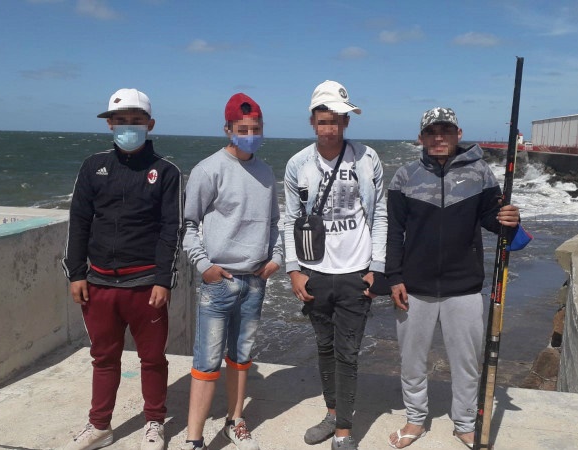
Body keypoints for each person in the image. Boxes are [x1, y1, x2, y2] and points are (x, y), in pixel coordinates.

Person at [384, 107, 521, 449]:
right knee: (412, 361)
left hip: (464, 286)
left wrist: (509, 218)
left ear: (458, 134)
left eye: (446, 130)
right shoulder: (404, 176)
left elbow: (493, 221)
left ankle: (464, 422)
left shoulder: (480, 173)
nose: (439, 137)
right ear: (421, 137)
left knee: (466, 363)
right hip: (413, 287)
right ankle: (415, 418)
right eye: (431, 132)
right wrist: (394, 278)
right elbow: (394, 233)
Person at [61, 88, 182, 450]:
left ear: (150, 124)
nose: (128, 127)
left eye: (136, 121)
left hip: (146, 285)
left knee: (152, 359)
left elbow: (171, 230)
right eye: (121, 121)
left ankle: (154, 423)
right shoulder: (92, 166)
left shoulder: (166, 171)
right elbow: (79, 221)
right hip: (98, 283)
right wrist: (76, 273)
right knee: (103, 358)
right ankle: (100, 426)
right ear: (110, 124)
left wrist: (163, 280)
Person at [283, 80, 388, 450]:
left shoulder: (367, 158)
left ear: (346, 122)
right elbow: (290, 219)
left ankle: (344, 431)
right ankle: (332, 413)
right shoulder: (298, 164)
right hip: (314, 272)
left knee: (348, 353)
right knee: (324, 347)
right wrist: (294, 269)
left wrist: (376, 266)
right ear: (312, 121)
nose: (330, 127)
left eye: (337, 120)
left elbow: (379, 214)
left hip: (355, 272)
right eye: (324, 120)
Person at [181, 93, 283, 450]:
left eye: (256, 129)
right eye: (243, 129)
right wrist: (204, 266)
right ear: (228, 129)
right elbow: (188, 225)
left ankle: (234, 421)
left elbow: (274, 222)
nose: (250, 135)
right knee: (206, 361)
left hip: (255, 281)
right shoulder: (208, 169)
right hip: (218, 283)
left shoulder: (266, 172)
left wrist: (276, 258)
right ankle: (194, 438)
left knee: (241, 357)